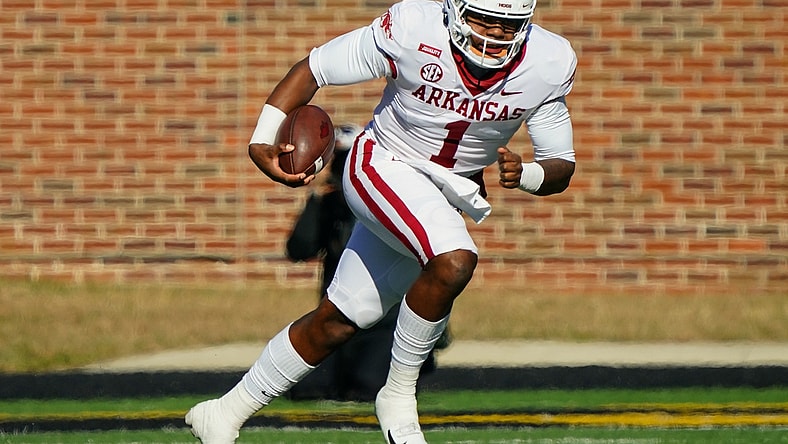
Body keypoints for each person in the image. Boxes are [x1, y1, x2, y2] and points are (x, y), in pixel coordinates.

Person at [186, 0, 577, 442]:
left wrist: (527, 175)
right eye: (482, 19)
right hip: (383, 164)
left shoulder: (547, 61)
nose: (493, 34)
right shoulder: (412, 28)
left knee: (339, 320)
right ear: (454, 10)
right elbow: (314, 68)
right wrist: (261, 138)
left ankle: (225, 412)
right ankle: (398, 395)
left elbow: (561, 163)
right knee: (454, 259)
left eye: (507, 24)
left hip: (441, 196)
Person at [285, 124, 440, 402]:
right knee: (308, 389)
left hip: (385, 322)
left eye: (350, 163)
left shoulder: (392, 201)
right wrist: (317, 199)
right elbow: (299, 249)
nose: (344, 172)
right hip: (338, 318)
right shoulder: (329, 205)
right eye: (339, 164)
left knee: (369, 388)